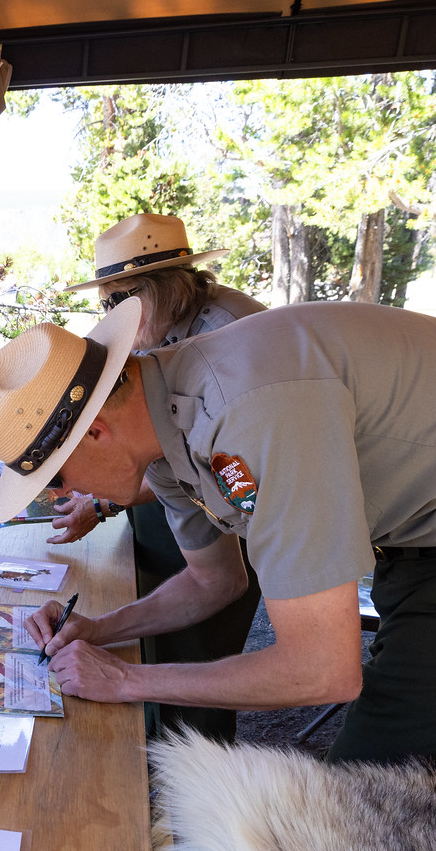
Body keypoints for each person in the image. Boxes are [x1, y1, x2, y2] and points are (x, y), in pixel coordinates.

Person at [0, 301, 436, 783]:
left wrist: (129, 681)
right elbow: (218, 582)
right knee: (414, 779)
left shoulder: (246, 412)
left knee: (371, 798)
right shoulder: (163, 426)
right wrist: (101, 630)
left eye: (54, 479)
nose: (61, 499)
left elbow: (322, 668)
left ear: (93, 433)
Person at [45, 214, 269, 743]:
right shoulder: (156, 333)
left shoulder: (226, 345)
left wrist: (103, 503)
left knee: (199, 658)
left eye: (115, 300)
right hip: (200, 513)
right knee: (167, 637)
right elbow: (163, 452)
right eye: (105, 303)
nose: (109, 315)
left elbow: (222, 474)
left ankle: (192, 769)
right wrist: (101, 631)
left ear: (155, 291)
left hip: (253, 512)